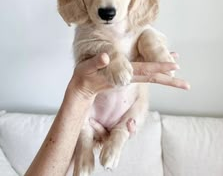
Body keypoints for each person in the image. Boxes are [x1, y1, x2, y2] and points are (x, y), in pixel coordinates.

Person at [25, 53, 189, 176]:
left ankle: (110, 137)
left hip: (118, 109)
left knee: (134, 114)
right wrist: (80, 95)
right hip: (93, 110)